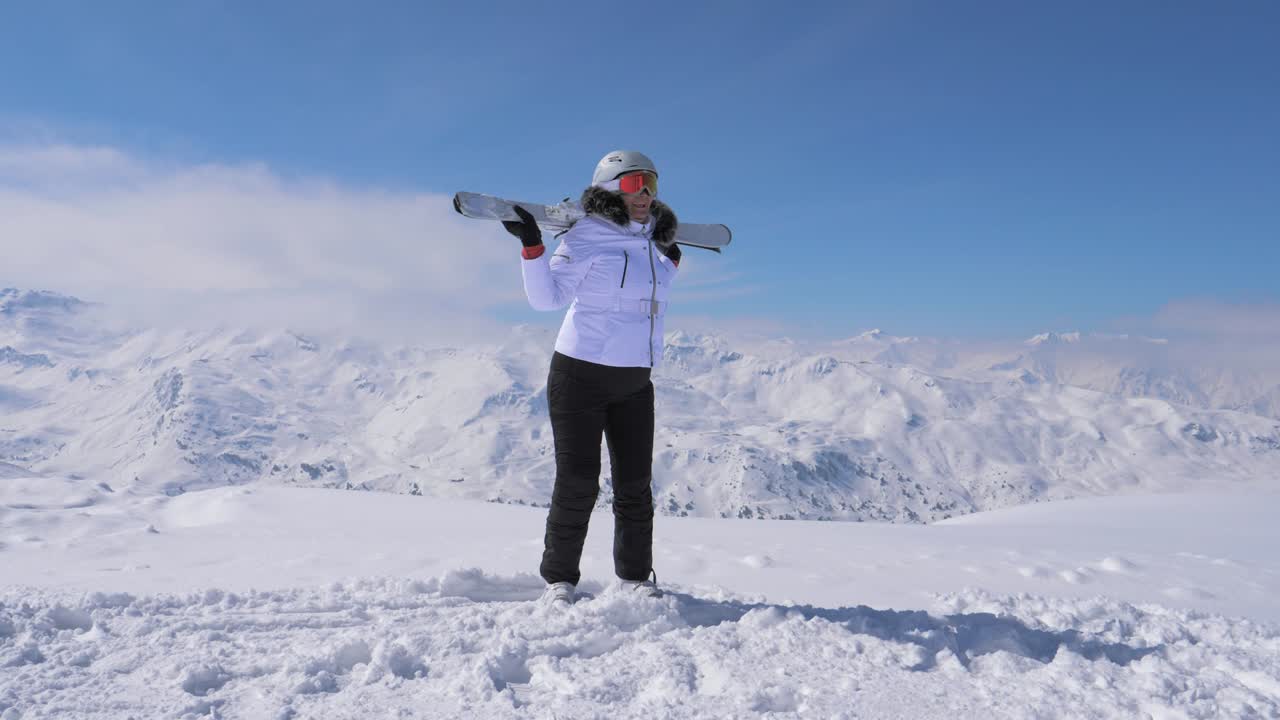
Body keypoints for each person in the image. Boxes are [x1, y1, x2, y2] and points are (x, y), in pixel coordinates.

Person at [505, 150, 682, 606]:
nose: (643, 193)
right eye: (631, 184)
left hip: (635, 380)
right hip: (580, 375)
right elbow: (548, 299)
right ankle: (559, 581)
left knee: (635, 484)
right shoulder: (586, 236)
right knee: (579, 481)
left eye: (651, 184)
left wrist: (670, 264)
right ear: (608, 189)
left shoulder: (651, 244)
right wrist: (532, 248)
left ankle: (636, 579)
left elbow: (644, 298)